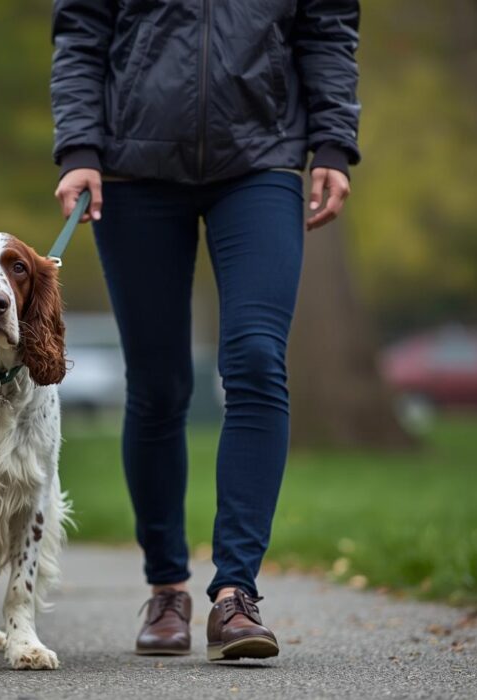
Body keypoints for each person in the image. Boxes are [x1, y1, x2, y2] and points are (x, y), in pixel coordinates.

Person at [50, 0, 360, 661]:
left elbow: (327, 27)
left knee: (254, 358)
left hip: (261, 157)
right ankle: (167, 587)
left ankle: (235, 594)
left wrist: (333, 140)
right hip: (132, 166)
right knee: (159, 384)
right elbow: (80, 32)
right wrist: (79, 145)